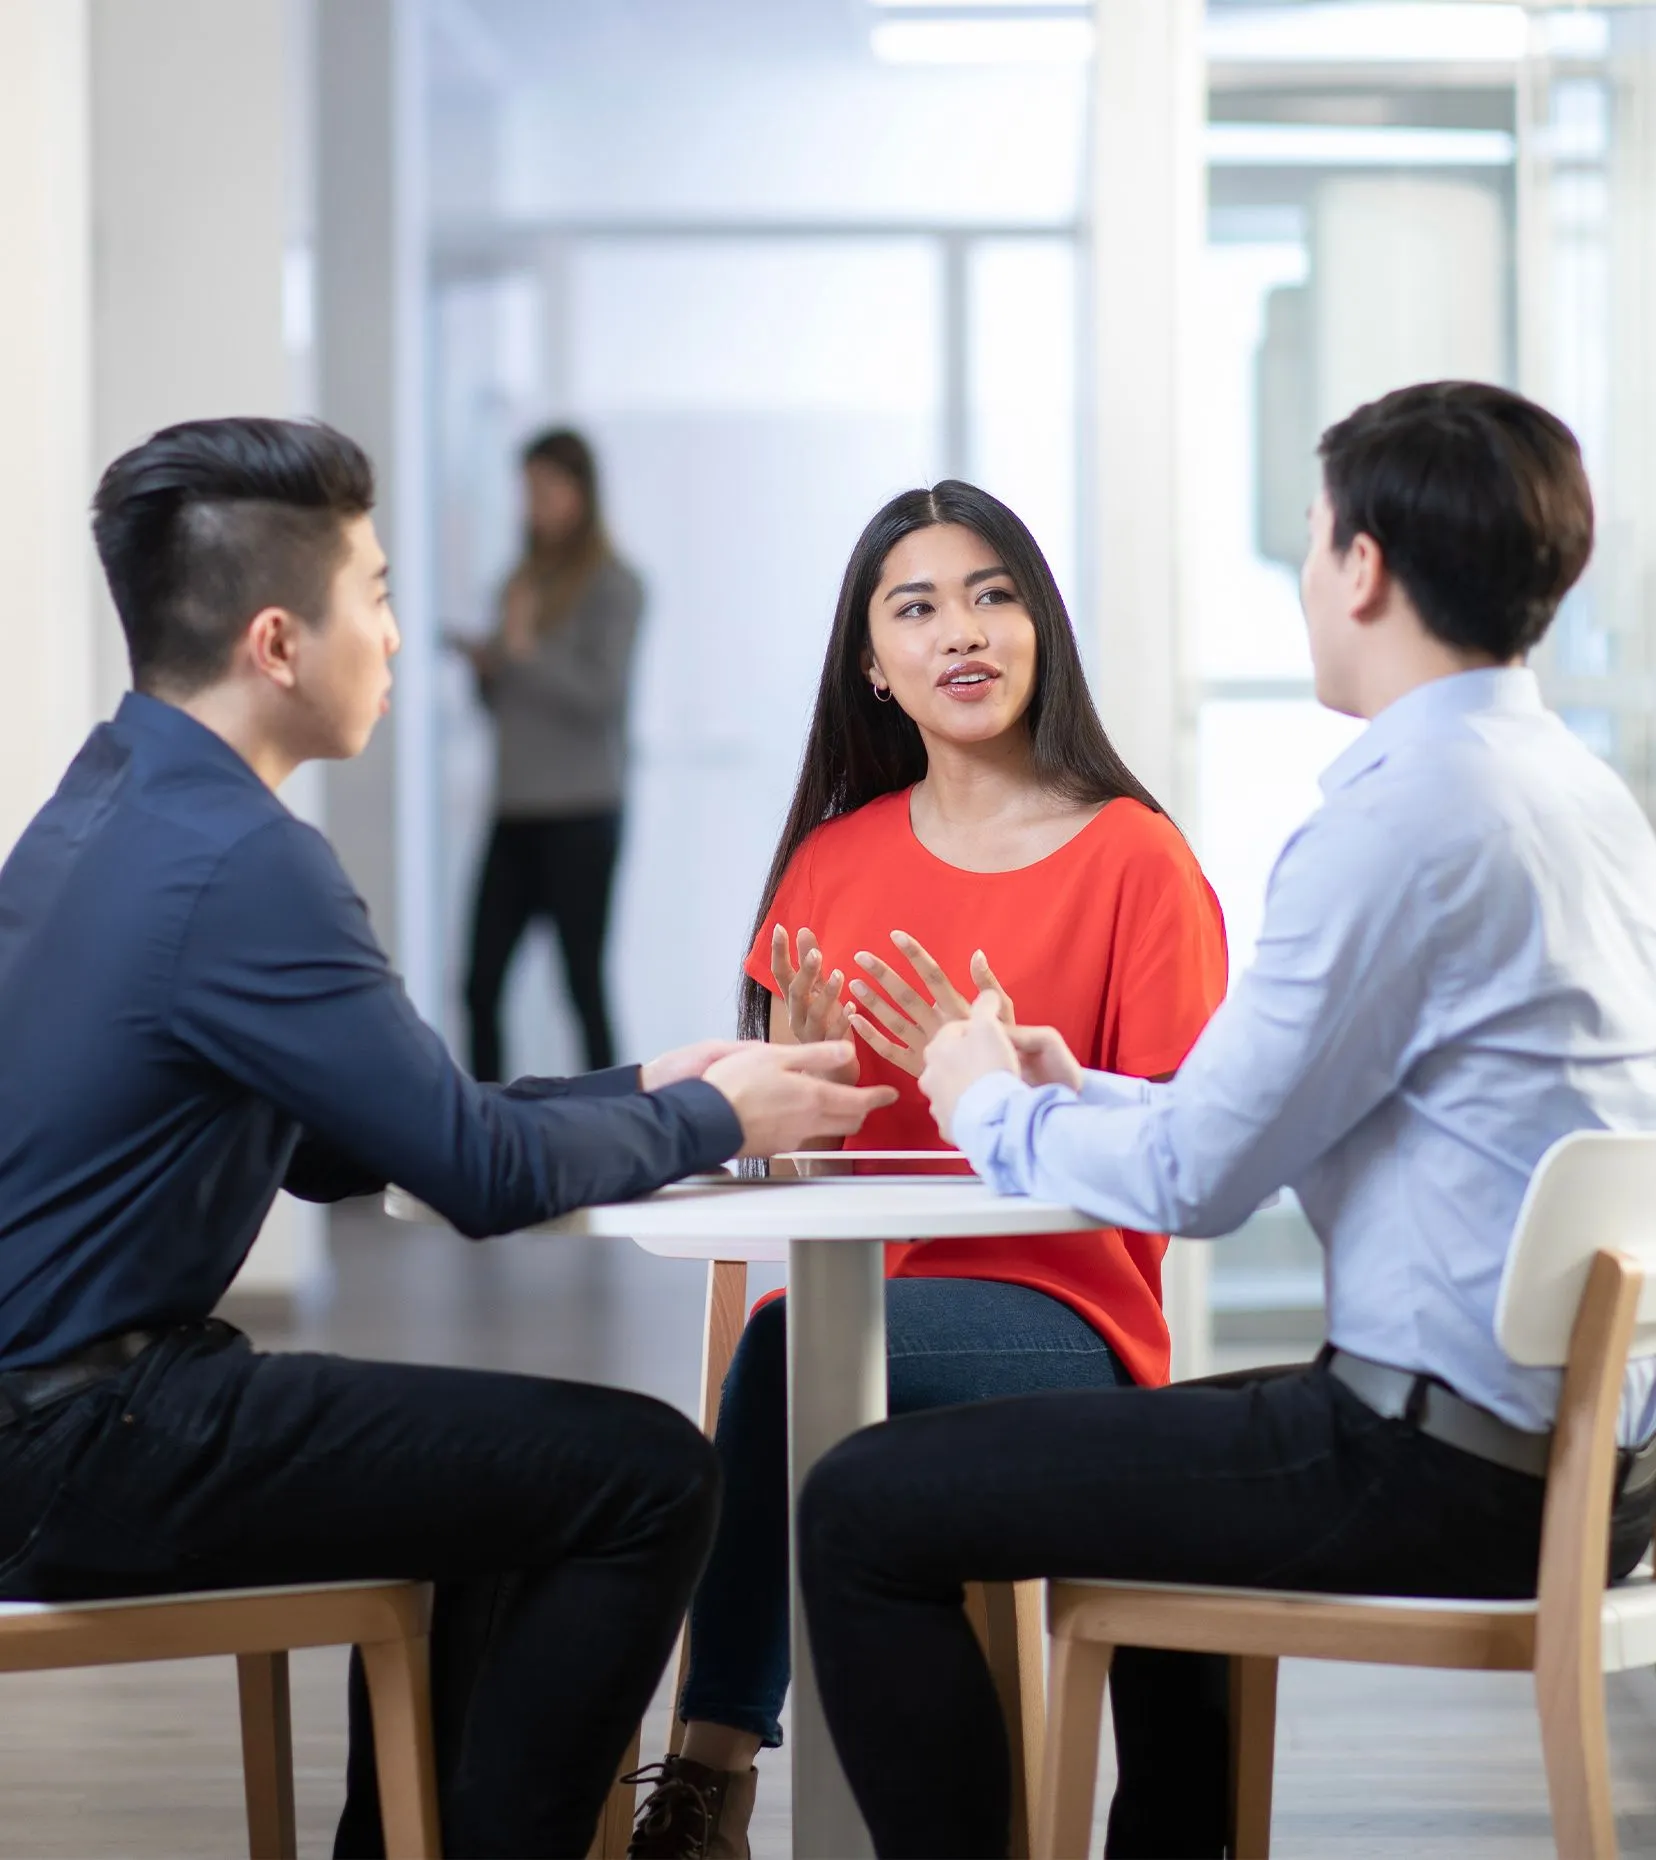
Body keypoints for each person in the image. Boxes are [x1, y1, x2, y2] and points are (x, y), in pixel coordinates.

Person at [0, 416, 894, 1860]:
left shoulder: (114, 803)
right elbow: (474, 1178)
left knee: (498, 1480)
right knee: (647, 1474)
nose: (404, 639)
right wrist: (722, 1113)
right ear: (281, 642)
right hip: (77, 1438)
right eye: (380, 595)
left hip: (61, 1411)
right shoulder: (245, 862)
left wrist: (647, 1082)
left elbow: (360, 1145)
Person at [795, 381, 1656, 1858]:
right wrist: (1073, 1089)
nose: (1309, 579)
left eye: (1315, 545)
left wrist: (983, 1096)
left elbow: (1198, 1184)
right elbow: (1271, 1113)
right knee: (1153, 1471)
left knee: (864, 1505)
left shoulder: (1395, 819)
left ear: (1368, 568)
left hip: (1442, 1466)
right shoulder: (1572, 793)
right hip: (1596, 1456)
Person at [625, 482, 1227, 1857]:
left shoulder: (1138, 861)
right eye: (918, 606)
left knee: (786, 1356)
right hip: (867, 1294)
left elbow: (1189, 1146)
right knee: (794, 1347)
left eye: (993, 594)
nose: (962, 631)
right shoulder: (829, 865)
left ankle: (708, 1776)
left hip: (1071, 1316)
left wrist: (1015, 1087)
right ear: (871, 665)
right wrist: (804, 1104)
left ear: (1039, 629)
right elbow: (771, 1172)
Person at [454, 427, 641, 1080]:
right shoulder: (520, 581)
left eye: (545, 487)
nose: (532, 502)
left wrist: (526, 649)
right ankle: (483, 1127)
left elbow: (600, 697)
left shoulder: (615, 585)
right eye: (526, 489)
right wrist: (488, 667)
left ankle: (617, 1122)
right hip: (515, 809)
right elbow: (502, 705)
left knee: (581, 986)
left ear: (580, 493)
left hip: (583, 812)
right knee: (477, 986)